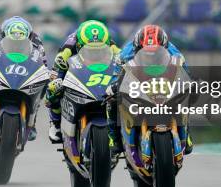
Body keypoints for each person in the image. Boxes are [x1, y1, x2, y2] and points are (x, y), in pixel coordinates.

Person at [107, 25, 192, 155]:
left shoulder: (173, 51)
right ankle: (113, 137)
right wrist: (113, 86)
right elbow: (116, 75)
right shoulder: (125, 54)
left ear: (164, 47)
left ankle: (186, 133)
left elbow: (185, 72)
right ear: (138, 48)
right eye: (146, 52)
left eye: (157, 52)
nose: (151, 56)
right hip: (138, 82)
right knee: (111, 99)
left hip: (163, 81)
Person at [45, 20, 120, 143]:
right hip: (76, 66)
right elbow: (58, 64)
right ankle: (56, 123)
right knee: (53, 88)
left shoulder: (109, 42)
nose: (95, 52)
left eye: (100, 48)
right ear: (80, 44)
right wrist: (57, 79)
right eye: (91, 49)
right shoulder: (70, 45)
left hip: (102, 68)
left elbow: (123, 57)